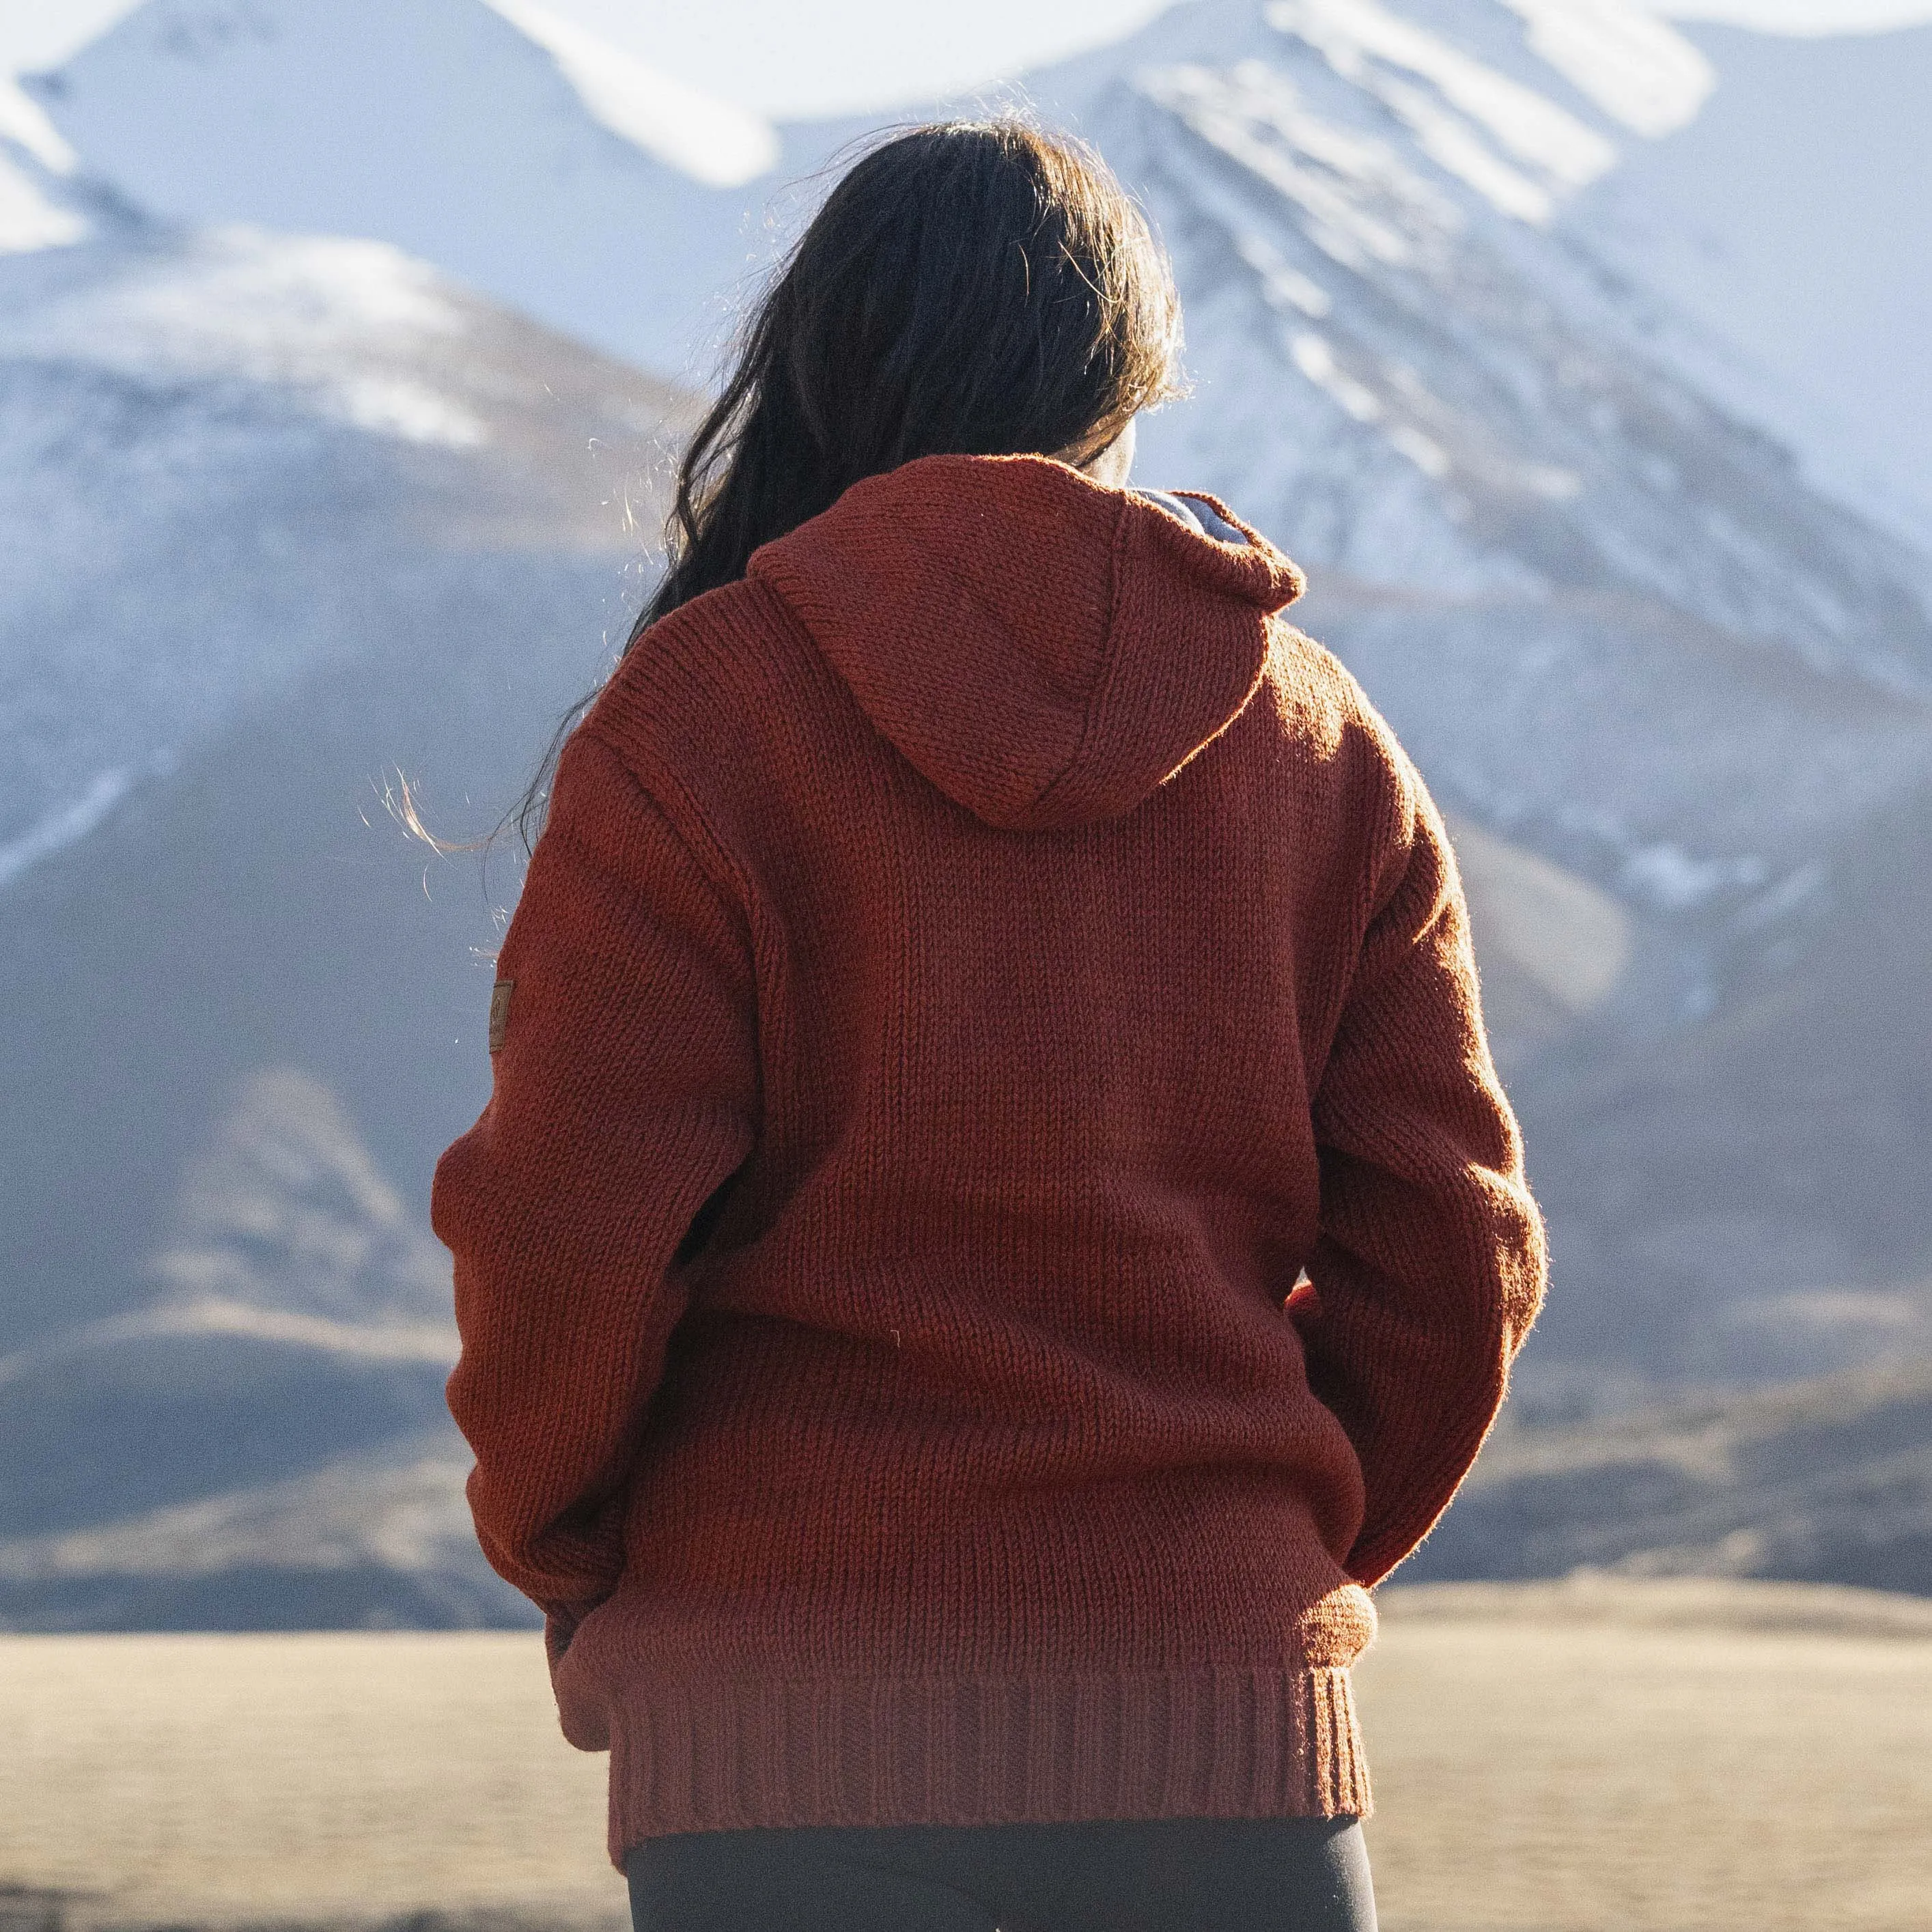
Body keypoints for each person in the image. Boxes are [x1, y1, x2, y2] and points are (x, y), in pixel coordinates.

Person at [432, 118, 1546, 1932]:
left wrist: (581, 1556)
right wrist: (1234, 1567)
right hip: (1218, 1738)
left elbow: (566, 1221)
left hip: (776, 1741)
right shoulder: (1312, 740)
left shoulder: (697, 717)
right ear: (1126, 371)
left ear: (816, 365)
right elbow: (1452, 1249)